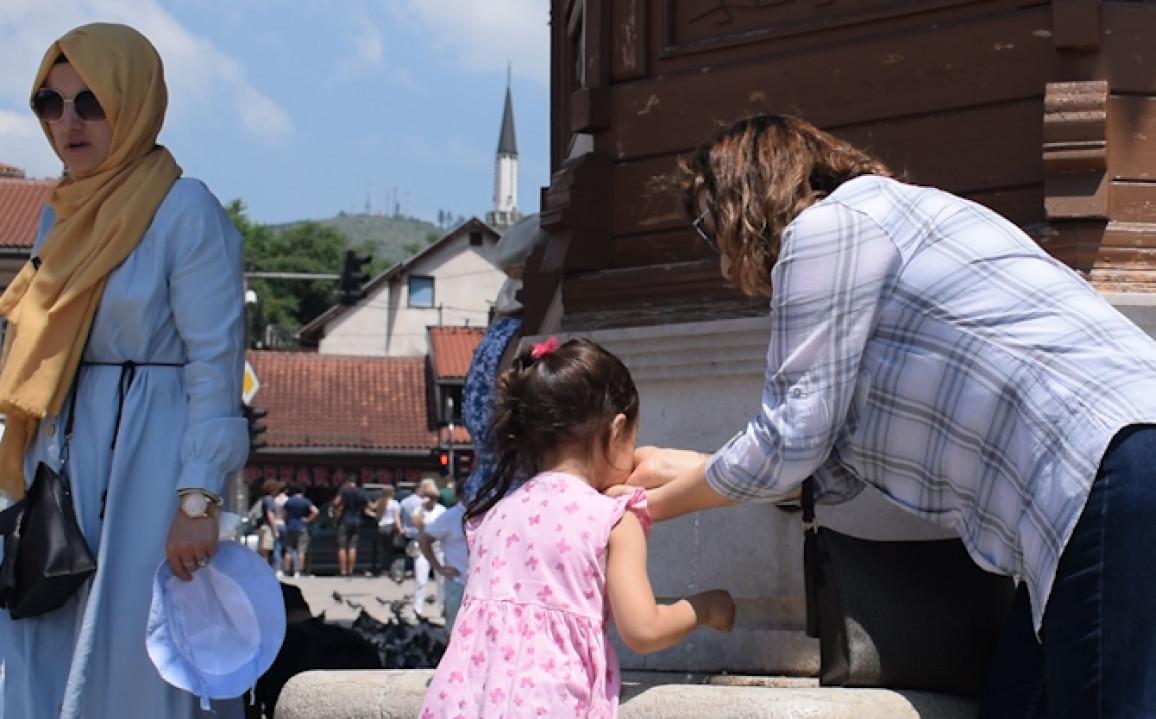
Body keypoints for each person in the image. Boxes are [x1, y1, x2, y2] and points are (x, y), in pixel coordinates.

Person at [626, 113, 1156, 718]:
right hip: (1105, 477)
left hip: (1106, 470)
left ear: (747, 191)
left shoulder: (826, 230)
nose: (715, 250)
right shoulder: (902, 218)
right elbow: (825, 463)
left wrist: (638, 509)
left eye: (706, 221)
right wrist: (698, 467)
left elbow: (789, 440)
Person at [0, 23, 249, 718]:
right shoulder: (62, 215)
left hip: (151, 460)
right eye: (51, 103)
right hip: (67, 463)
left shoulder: (183, 210)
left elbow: (215, 362)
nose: (68, 122)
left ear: (134, 103)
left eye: (91, 103)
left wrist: (196, 496)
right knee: (42, 640)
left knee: (141, 649)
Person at [419, 338, 735, 717]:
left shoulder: (494, 516)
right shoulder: (613, 519)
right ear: (617, 432)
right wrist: (707, 607)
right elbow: (644, 630)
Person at [418, 482, 468, 630]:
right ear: (460, 496)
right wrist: (438, 567)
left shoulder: (485, 514)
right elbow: (425, 539)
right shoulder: (451, 516)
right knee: (455, 632)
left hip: (481, 586)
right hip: (458, 582)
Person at [410, 480, 445, 619]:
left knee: (441, 580)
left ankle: (443, 607)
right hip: (423, 549)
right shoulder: (419, 509)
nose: (430, 499)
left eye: (432, 496)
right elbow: (416, 524)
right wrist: (423, 509)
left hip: (438, 548)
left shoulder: (441, 509)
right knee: (420, 579)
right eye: (427, 495)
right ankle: (417, 609)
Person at [330, 479, 368, 577]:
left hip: (344, 520)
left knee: (342, 547)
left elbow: (335, 502)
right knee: (352, 547)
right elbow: (369, 505)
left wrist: (336, 507)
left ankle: (343, 571)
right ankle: (351, 571)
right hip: (356, 521)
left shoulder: (344, 490)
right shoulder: (360, 492)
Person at [282, 486, 318, 578]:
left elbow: (285, 514)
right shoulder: (305, 501)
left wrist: (287, 521)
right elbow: (315, 511)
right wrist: (308, 520)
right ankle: (298, 571)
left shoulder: (289, 502)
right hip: (301, 527)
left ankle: (286, 571)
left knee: (288, 551)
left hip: (290, 527)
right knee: (301, 551)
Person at [371, 484, 400, 577]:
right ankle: (388, 569)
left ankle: (382, 569)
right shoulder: (394, 503)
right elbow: (396, 518)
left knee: (382, 550)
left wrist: (368, 512)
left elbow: (372, 509)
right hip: (390, 527)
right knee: (390, 550)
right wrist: (399, 528)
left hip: (381, 527)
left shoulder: (380, 502)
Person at [256, 479, 281, 568]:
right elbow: (270, 514)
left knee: (262, 551)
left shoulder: (263, 499)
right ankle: (264, 570)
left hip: (261, 527)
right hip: (267, 527)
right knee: (265, 551)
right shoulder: (269, 499)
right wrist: (275, 529)